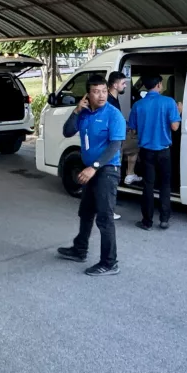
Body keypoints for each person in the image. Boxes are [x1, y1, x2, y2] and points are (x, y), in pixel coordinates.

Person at [56, 74, 126, 276]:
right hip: (91, 170)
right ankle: (80, 250)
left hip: (106, 170)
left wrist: (94, 167)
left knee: (104, 217)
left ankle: (109, 262)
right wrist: (76, 111)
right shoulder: (84, 113)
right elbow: (67, 131)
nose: (102, 95)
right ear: (87, 94)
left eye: (104, 91)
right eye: (96, 92)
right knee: (86, 212)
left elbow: (115, 146)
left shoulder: (113, 115)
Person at [127, 74, 181, 230]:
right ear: (158, 85)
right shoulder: (169, 102)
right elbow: (175, 127)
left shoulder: (138, 105)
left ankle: (147, 222)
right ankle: (164, 219)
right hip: (164, 152)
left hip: (146, 152)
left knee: (148, 186)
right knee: (165, 185)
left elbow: (133, 130)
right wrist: (180, 112)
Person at [107, 71, 141, 190]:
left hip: (118, 136)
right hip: (114, 139)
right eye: (123, 83)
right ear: (115, 85)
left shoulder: (113, 99)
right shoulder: (109, 101)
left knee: (135, 144)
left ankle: (129, 174)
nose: (125, 85)